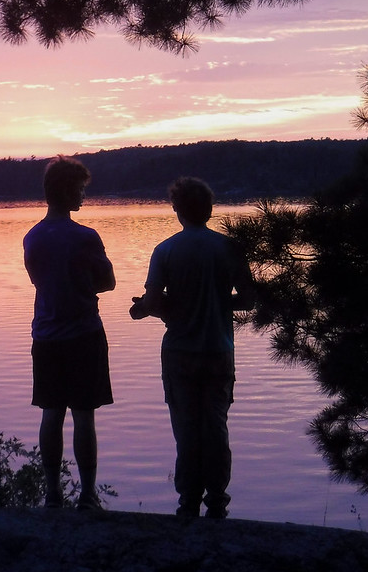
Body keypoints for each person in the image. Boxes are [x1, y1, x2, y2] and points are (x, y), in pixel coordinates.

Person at [130, 176, 255, 519]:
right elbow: (248, 299)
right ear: (210, 210)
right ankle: (217, 501)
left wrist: (147, 307)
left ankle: (188, 503)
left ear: (178, 210)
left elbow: (153, 302)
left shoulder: (165, 250)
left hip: (180, 353)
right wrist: (215, 303)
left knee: (186, 428)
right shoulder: (230, 247)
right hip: (218, 351)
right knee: (215, 426)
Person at [23, 155, 116, 510]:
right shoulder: (85, 237)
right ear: (65, 190)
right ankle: (88, 495)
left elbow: (39, 280)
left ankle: (52, 493)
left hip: (45, 336)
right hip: (83, 335)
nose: (83, 196)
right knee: (84, 416)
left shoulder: (32, 238)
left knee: (51, 412)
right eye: (79, 189)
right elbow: (107, 282)